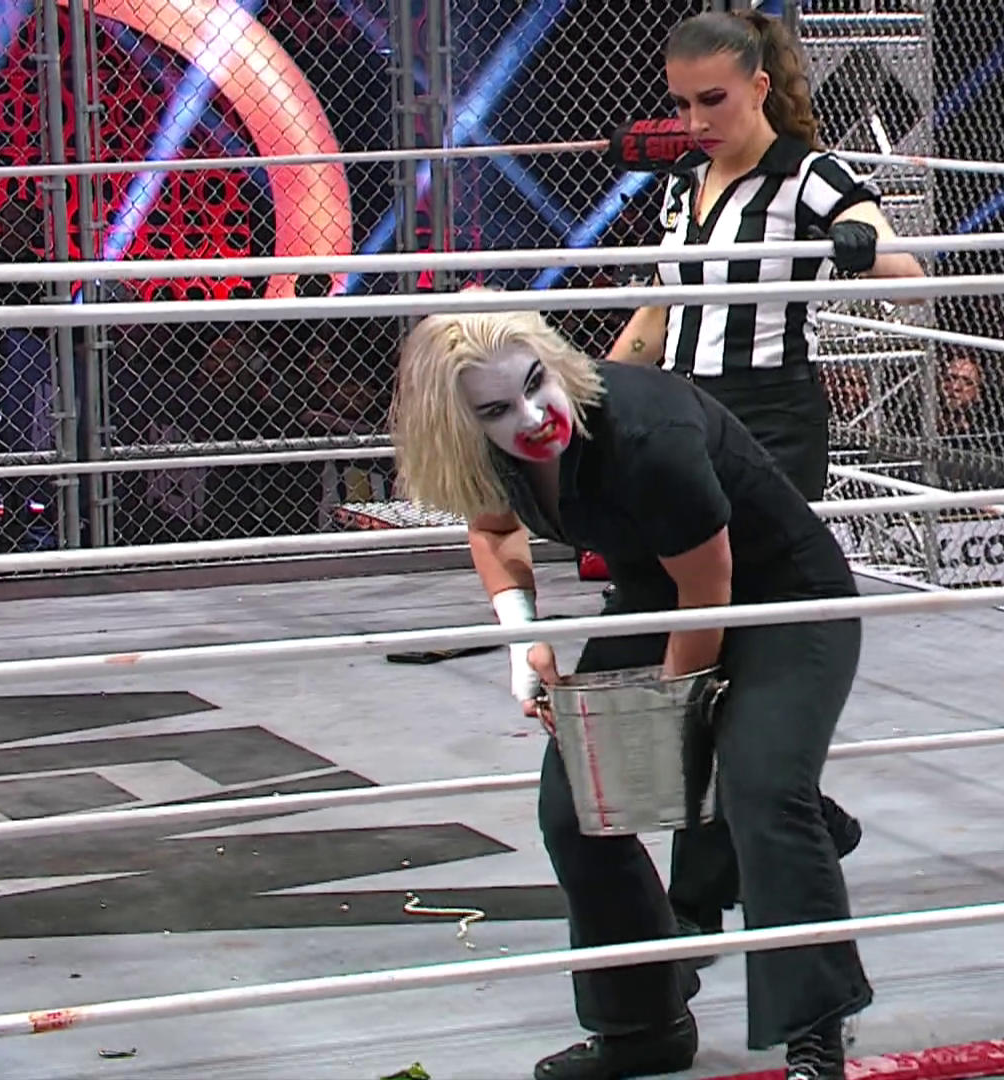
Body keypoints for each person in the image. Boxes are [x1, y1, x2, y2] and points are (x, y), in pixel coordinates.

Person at [389, 304, 871, 1080]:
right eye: (496, 410)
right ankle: (643, 1024)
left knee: (761, 789)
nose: (532, 416)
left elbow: (709, 589)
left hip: (783, 594)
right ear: (459, 424)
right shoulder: (479, 451)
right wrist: (523, 638)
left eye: (536, 384)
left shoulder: (644, 432)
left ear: (553, 362)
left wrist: (679, 727)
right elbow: (495, 530)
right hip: (659, 594)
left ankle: (814, 1029)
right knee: (575, 805)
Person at [606, 9, 926, 944]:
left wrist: (860, 245)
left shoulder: (806, 174)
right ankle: (794, 815)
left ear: (757, 86)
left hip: (770, 423)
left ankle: (702, 895)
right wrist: (602, 391)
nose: (696, 119)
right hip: (683, 414)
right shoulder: (684, 184)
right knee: (705, 639)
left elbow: (897, 260)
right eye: (681, 102)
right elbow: (661, 307)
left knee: (727, 639)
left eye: (712, 99)